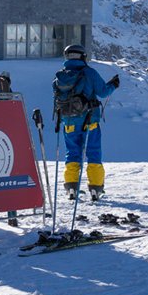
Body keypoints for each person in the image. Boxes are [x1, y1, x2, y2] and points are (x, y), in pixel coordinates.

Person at [52, 45, 118, 201]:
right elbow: (103, 92)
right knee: (93, 153)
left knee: (72, 153)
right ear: (83, 56)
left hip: (68, 123)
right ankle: (95, 188)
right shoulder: (89, 73)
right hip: (90, 121)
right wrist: (113, 84)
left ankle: (71, 188)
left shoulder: (59, 77)